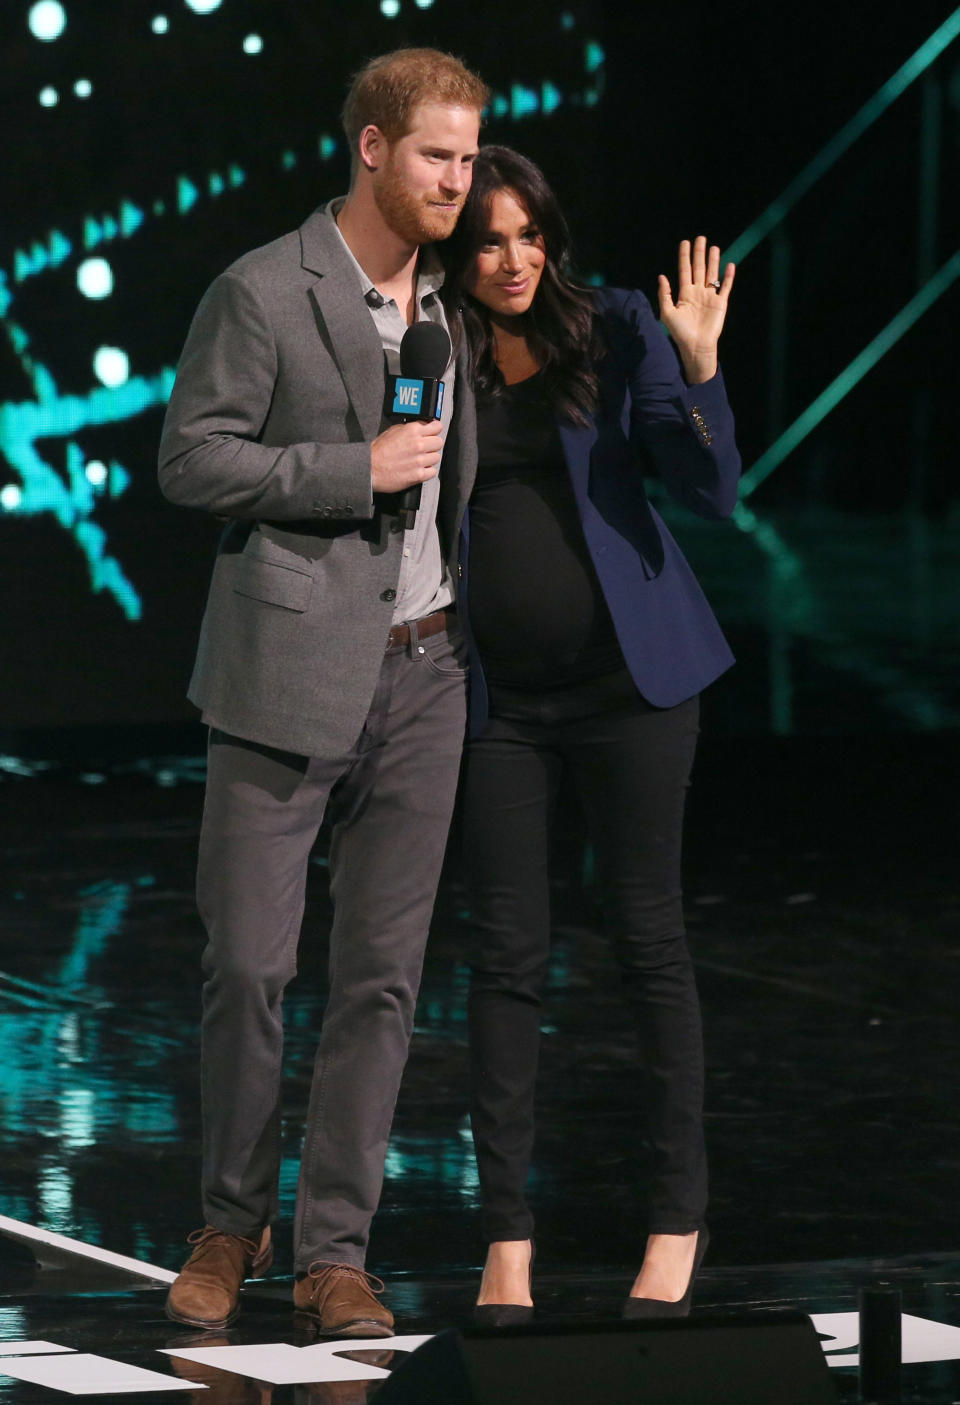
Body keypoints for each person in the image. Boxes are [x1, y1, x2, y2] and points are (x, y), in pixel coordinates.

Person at [157, 48, 489, 1337]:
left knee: (383, 980)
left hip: (426, 671)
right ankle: (227, 1227)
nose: (457, 180)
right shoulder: (264, 289)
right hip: (284, 669)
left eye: (468, 158)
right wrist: (351, 468)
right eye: (435, 157)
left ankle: (335, 1248)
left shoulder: (454, 307)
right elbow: (192, 460)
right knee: (248, 966)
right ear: (370, 149)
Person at [439, 146, 739, 1322]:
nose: (512, 260)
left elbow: (707, 493)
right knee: (507, 960)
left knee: (646, 944)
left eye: (529, 237)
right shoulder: (439, 347)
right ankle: (506, 1243)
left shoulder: (618, 328)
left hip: (633, 692)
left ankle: (676, 1219)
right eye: (489, 241)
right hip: (496, 704)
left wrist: (700, 368)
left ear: (552, 240)